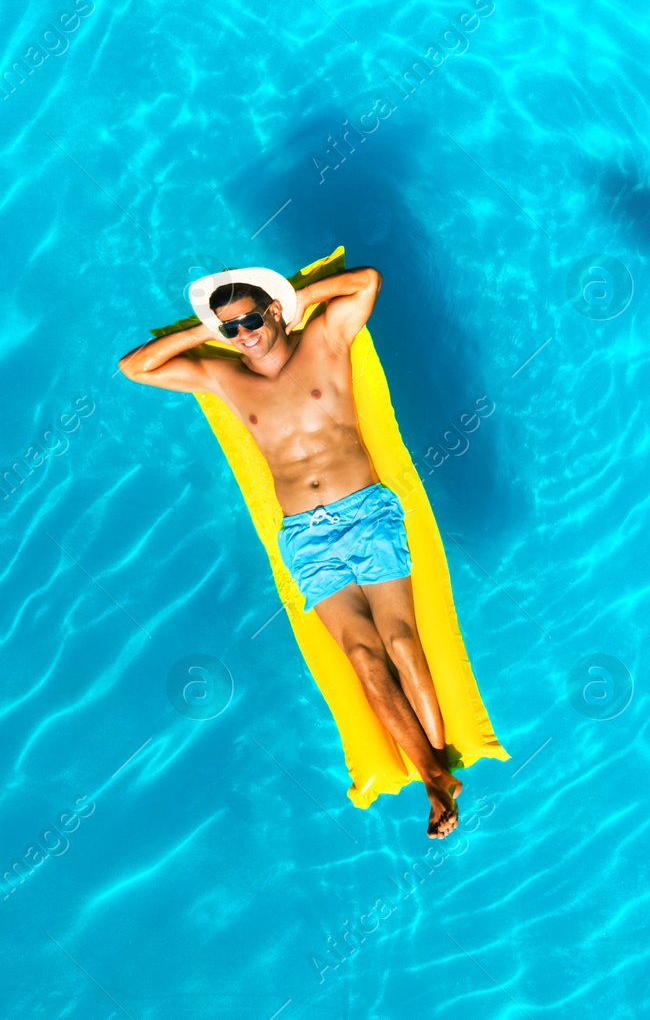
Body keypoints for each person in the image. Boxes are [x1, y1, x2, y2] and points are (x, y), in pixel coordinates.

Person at [119, 265, 461, 837]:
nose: (244, 333)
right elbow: (135, 367)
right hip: (306, 536)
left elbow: (369, 281)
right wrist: (211, 331)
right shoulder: (222, 375)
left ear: (274, 311)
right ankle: (435, 778)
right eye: (232, 328)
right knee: (362, 655)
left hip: (364, 513)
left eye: (252, 317)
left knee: (401, 641)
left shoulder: (324, 341)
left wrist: (295, 299)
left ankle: (437, 772)